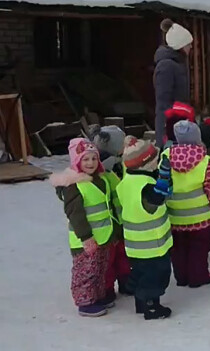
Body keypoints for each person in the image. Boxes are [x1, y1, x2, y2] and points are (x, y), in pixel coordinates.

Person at [49, 139, 116, 317]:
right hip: (85, 239)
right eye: (85, 160)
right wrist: (86, 237)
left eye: (94, 159)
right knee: (86, 271)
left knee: (100, 269)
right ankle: (85, 301)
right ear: (76, 161)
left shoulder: (101, 179)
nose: (90, 163)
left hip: (103, 235)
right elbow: (76, 214)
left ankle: (97, 295)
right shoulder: (74, 186)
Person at [116, 138, 174, 320]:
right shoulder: (145, 186)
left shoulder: (128, 181)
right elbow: (155, 200)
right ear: (146, 163)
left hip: (135, 244)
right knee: (156, 277)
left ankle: (141, 301)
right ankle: (151, 307)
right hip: (152, 244)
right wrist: (164, 177)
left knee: (142, 273)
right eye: (155, 160)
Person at [165, 121, 210, 287]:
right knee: (198, 249)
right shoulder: (205, 161)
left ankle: (182, 277)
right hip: (201, 217)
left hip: (174, 216)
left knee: (179, 249)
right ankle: (198, 277)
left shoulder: (166, 156)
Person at [90, 126, 133, 300]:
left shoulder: (117, 162)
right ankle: (108, 289)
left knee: (121, 256)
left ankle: (124, 282)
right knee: (110, 259)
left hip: (119, 219)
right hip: (109, 222)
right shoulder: (106, 167)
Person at [154, 19, 193, 148]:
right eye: (188, 44)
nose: (191, 47)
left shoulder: (177, 64)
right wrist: (168, 127)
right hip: (170, 124)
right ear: (180, 45)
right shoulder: (166, 66)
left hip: (179, 120)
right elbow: (164, 100)